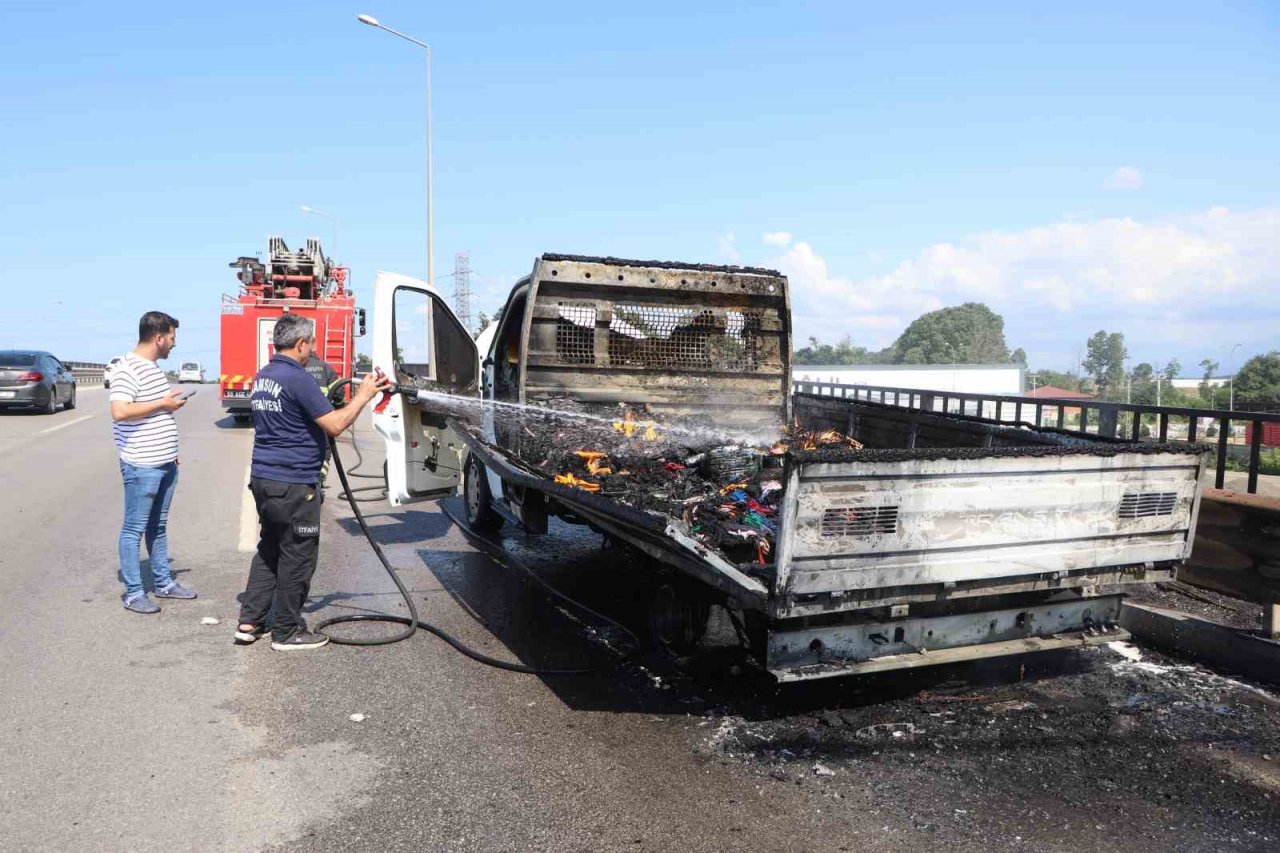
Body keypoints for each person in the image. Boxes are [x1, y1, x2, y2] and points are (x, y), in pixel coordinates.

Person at [235, 314, 392, 650]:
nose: (314, 348)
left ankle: (250, 621)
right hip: (294, 484)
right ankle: (286, 632)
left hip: (264, 480)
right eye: (312, 343)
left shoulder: (264, 376)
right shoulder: (297, 378)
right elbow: (335, 424)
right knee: (298, 556)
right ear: (301, 344)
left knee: (270, 549)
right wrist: (363, 395)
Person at [110, 311, 196, 613]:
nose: (174, 344)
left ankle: (163, 582)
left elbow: (150, 412)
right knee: (134, 528)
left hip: (164, 462)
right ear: (159, 337)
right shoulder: (127, 369)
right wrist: (163, 403)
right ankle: (134, 592)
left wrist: (168, 439)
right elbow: (120, 411)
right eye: (172, 338)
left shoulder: (154, 369)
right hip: (141, 464)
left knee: (157, 527)